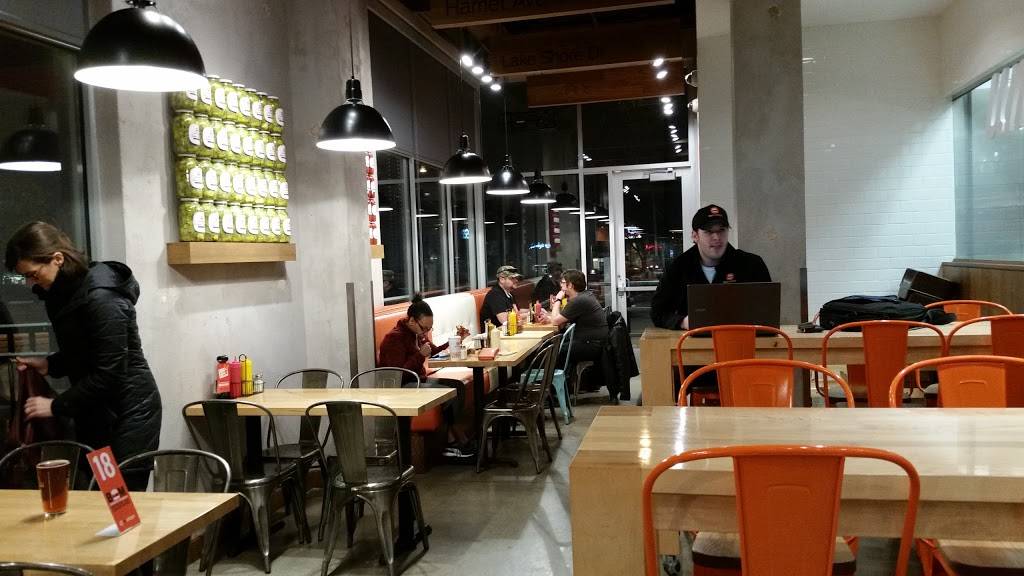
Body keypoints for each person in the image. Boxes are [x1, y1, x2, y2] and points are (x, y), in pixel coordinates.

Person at [6, 222, 161, 490]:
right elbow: (83, 351)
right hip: (97, 414)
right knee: (103, 497)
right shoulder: (62, 293)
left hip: (130, 414)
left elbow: (109, 372)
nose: (31, 283)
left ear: (57, 259)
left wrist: (56, 406)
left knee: (120, 500)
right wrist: (49, 364)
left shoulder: (101, 297)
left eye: (33, 274)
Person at [377, 294, 473, 457]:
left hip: (418, 380)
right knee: (448, 392)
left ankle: (452, 438)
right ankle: (454, 440)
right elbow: (397, 375)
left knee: (457, 386)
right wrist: (420, 355)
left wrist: (456, 340)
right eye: (424, 328)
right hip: (402, 386)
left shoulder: (417, 333)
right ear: (412, 321)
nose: (426, 332)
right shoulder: (394, 338)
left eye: (429, 328)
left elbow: (433, 351)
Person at [650, 204, 771, 330]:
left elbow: (768, 310)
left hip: (741, 339)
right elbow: (658, 313)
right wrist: (683, 322)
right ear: (695, 236)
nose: (717, 237)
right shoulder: (678, 268)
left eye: (721, 230)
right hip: (691, 340)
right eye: (709, 231)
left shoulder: (752, 265)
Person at [546, 269, 615, 402]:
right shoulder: (584, 296)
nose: (561, 286)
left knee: (553, 352)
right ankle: (561, 389)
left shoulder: (580, 300)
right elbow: (560, 320)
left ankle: (554, 394)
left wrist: (558, 300)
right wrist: (550, 315)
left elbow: (555, 321)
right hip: (592, 341)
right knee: (556, 348)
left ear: (570, 285)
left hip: (592, 345)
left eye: (563, 283)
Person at [479, 265, 521, 329]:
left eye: (516, 278)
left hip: (508, 331)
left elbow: (517, 313)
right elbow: (505, 321)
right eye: (512, 278)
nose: (516, 280)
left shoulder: (509, 294)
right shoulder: (495, 295)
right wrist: (528, 314)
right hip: (494, 333)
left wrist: (532, 312)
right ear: (502, 279)